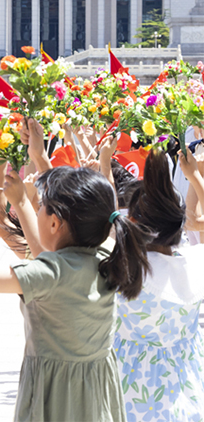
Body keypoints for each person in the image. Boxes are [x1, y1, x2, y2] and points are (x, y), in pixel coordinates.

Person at [0, 139, 151, 420]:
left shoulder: (50, 274)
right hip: (95, 395)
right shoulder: (106, 252)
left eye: (42, 207)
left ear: (54, 223)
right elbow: (47, 257)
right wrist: (22, 202)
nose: (38, 211)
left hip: (57, 399)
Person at [114, 149, 204, 421]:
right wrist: (195, 177)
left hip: (128, 395)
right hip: (187, 395)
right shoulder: (195, 265)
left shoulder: (122, 271)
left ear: (132, 222)